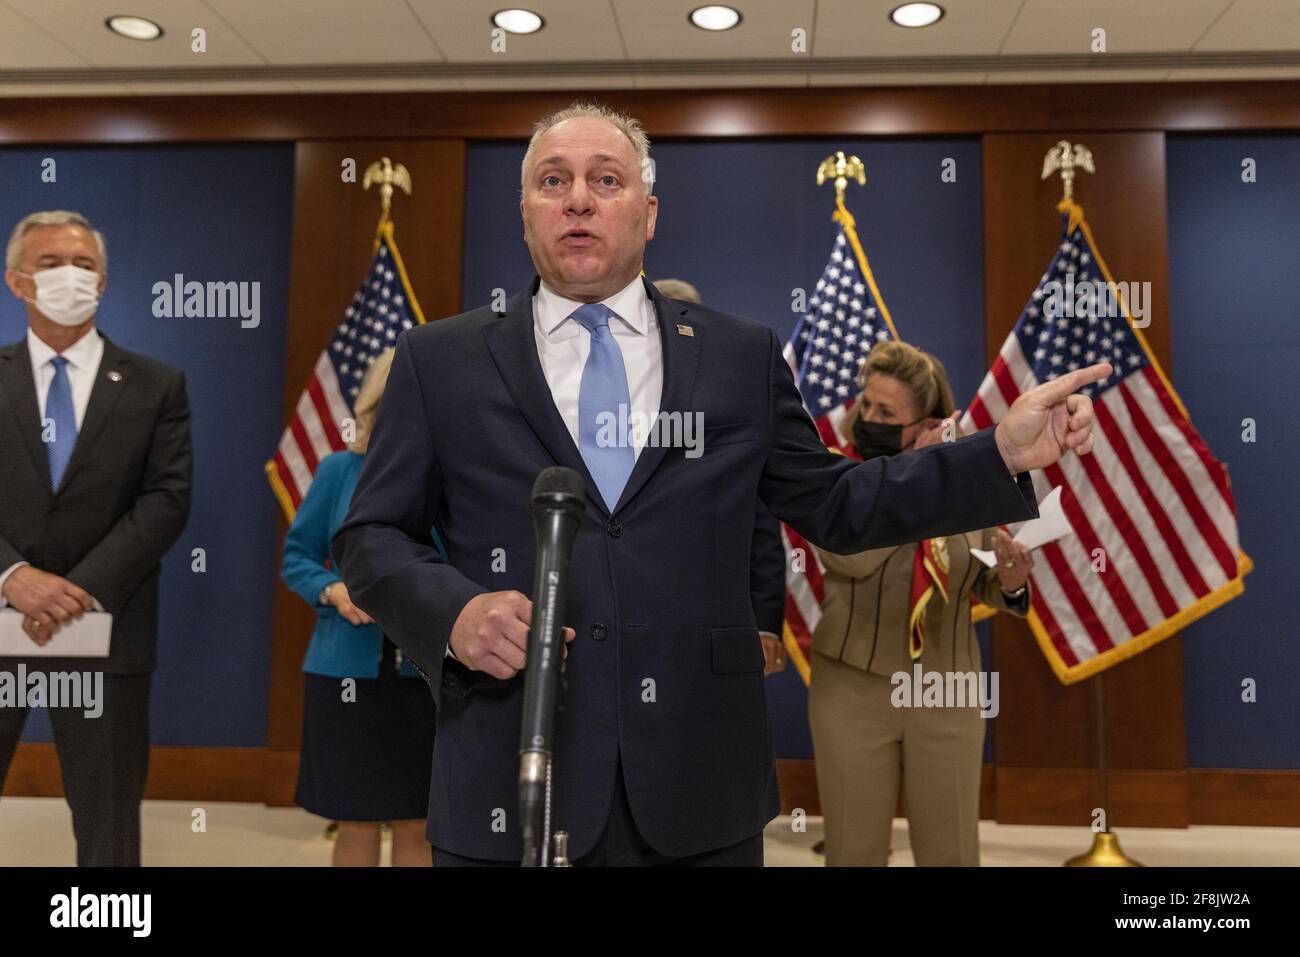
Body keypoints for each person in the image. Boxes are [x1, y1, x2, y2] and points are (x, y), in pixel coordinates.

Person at [332, 101, 1108, 867]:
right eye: (552, 181)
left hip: (699, 781)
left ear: (649, 212)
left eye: (606, 180)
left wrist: (997, 453)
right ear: (526, 212)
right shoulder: (440, 362)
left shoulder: (740, 357)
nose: (578, 199)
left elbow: (838, 502)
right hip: (511, 768)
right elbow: (370, 535)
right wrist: (455, 612)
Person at [0, 210, 192, 866]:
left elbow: (166, 499)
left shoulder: (156, 383)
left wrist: (78, 588)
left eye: (84, 265)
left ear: (104, 282)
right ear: (17, 281)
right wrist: (11, 577)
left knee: (108, 821)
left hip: (108, 629)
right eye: (51, 263)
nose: (69, 276)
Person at [809, 340, 1034, 866]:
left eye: (887, 412)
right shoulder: (833, 475)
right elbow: (851, 559)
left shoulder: (963, 481)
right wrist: (915, 475)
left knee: (950, 850)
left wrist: (1009, 581)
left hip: (946, 688)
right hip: (852, 690)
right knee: (854, 851)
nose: (869, 418)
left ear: (927, 422)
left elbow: (973, 577)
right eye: (867, 405)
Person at [280, 349, 434, 867]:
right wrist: (334, 590)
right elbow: (297, 557)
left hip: (426, 676)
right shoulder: (339, 470)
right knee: (356, 819)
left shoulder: (451, 472)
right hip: (346, 673)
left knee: (420, 821)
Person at [652, 276, 786, 675]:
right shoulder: (607, 408)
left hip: (714, 622)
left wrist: (764, 622)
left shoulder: (732, 409)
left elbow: (760, 525)